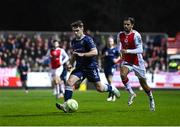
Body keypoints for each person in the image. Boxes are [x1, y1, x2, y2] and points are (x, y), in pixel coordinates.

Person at [56, 20, 120, 112]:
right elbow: (74, 54)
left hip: (91, 67)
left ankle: (112, 88)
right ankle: (66, 105)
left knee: (100, 88)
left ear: (82, 28)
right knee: (69, 82)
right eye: (74, 31)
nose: (75, 32)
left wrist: (84, 54)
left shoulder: (88, 39)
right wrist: (70, 63)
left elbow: (95, 52)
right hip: (80, 68)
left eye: (77, 30)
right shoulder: (73, 41)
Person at [117, 17, 155, 111]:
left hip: (138, 62)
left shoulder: (136, 35)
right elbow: (119, 46)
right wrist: (120, 52)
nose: (126, 26)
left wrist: (127, 51)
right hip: (127, 61)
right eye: (124, 24)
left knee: (143, 85)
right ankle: (131, 93)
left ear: (132, 25)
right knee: (122, 74)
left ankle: (151, 98)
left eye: (128, 24)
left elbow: (140, 50)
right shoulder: (120, 34)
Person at [101, 36, 121, 102]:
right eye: (109, 41)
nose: (110, 42)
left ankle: (110, 96)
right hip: (106, 66)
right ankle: (113, 94)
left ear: (113, 42)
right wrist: (104, 55)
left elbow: (120, 56)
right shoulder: (104, 49)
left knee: (110, 80)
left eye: (111, 41)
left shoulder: (116, 49)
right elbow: (100, 57)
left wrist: (116, 60)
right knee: (109, 82)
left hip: (112, 66)